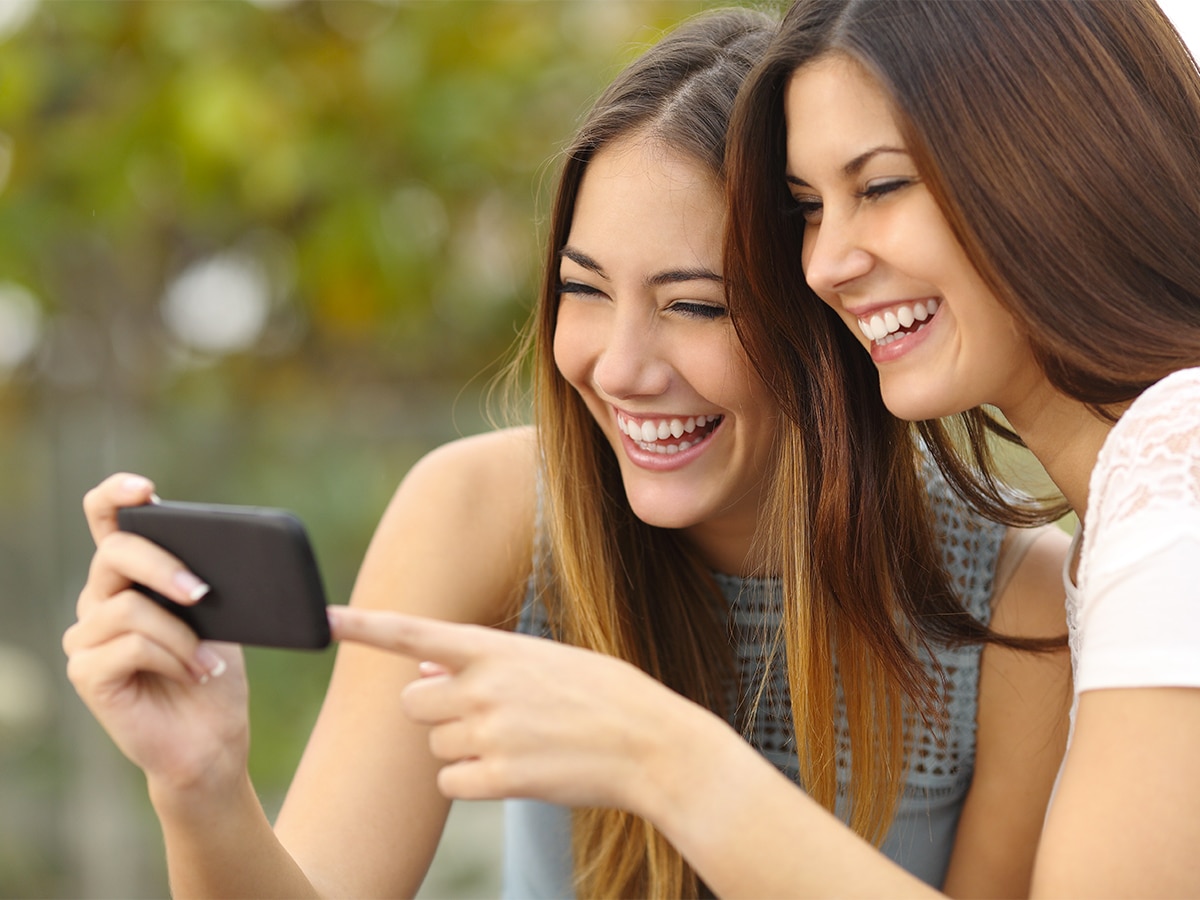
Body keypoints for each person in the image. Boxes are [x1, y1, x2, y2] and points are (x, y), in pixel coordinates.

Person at [64, 7, 1070, 899]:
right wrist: (199, 786)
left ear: (831, 314)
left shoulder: (1016, 609)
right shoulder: (483, 514)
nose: (621, 368)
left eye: (693, 305)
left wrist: (671, 760)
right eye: (585, 290)